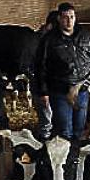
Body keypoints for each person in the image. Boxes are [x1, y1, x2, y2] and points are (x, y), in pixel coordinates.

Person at [34, 2, 90, 142]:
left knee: (80, 129)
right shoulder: (49, 40)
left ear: (75, 17)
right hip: (60, 91)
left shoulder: (85, 36)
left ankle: (76, 159)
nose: (69, 21)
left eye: (72, 17)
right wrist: (43, 92)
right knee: (64, 130)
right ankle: (65, 161)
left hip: (81, 91)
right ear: (59, 18)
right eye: (65, 17)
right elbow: (41, 66)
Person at [29, 10, 60, 140]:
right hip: (41, 85)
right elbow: (36, 68)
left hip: (54, 85)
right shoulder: (37, 42)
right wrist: (43, 92)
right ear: (51, 26)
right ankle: (44, 140)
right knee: (46, 115)